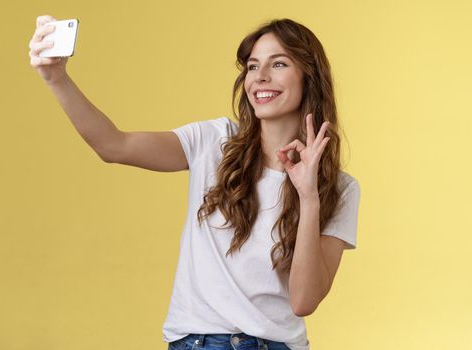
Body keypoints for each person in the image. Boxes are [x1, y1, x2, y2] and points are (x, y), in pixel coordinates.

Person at [29, 15, 361, 350]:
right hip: (198, 342)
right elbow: (113, 146)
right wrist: (57, 79)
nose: (260, 77)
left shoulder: (340, 188)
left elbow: (304, 302)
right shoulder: (213, 141)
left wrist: (308, 197)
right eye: (252, 66)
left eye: (278, 64)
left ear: (309, 76)